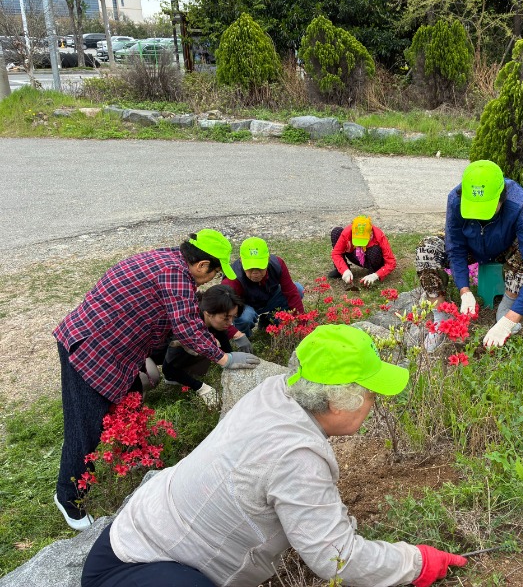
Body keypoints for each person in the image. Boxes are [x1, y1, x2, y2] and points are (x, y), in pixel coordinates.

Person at [81, 325, 468, 587]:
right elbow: (339, 558)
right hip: (144, 571)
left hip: (136, 535)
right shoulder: (295, 456)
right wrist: (417, 563)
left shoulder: (276, 392)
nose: (375, 402)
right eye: (370, 393)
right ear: (339, 399)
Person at [53, 230, 262, 532]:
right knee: (84, 425)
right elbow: (189, 326)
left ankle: (132, 457)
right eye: (214, 272)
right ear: (202, 265)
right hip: (91, 348)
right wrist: (225, 359)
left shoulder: (169, 260)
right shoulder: (177, 275)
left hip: (115, 347)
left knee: (132, 395)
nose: (212, 279)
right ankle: (68, 497)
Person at [415, 159, 523, 349]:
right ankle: (440, 315)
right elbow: (455, 247)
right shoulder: (456, 199)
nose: (479, 215)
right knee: (427, 248)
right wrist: (464, 290)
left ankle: (508, 304)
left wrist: (509, 321)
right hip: (472, 245)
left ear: (502, 197)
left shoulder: (519, 204)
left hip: (505, 247)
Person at [162, 284, 252, 407]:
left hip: (177, 349)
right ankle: (174, 378)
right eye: (226, 318)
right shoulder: (186, 329)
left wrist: (233, 360)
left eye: (233, 317)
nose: (230, 323)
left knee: (209, 348)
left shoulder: (211, 316)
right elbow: (167, 368)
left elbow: (223, 339)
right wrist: (200, 387)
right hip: (151, 355)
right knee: (203, 348)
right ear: (208, 313)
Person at [222, 237, 305, 336]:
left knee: (298, 289)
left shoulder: (278, 264)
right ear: (241, 261)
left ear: (268, 259)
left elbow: (292, 293)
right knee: (246, 317)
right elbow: (222, 311)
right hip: (245, 306)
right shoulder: (232, 278)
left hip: (269, 299)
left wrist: (302, 325)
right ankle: (246, 335)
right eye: (250, 268)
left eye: (260, 267)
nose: (255, 273)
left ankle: (270, 321)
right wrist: (236, 335)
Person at [328, 215, 397, 286]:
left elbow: (391, 262)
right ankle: (342, 272)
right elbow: (336, 253)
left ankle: (372, 272)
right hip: (355, 254)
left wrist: (376, 275)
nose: (360, 245)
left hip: (372, 258)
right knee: (336, 232)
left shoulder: (379, 235)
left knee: (375, 250)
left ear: (370, 234)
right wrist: (344, 270)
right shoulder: (348, 232)